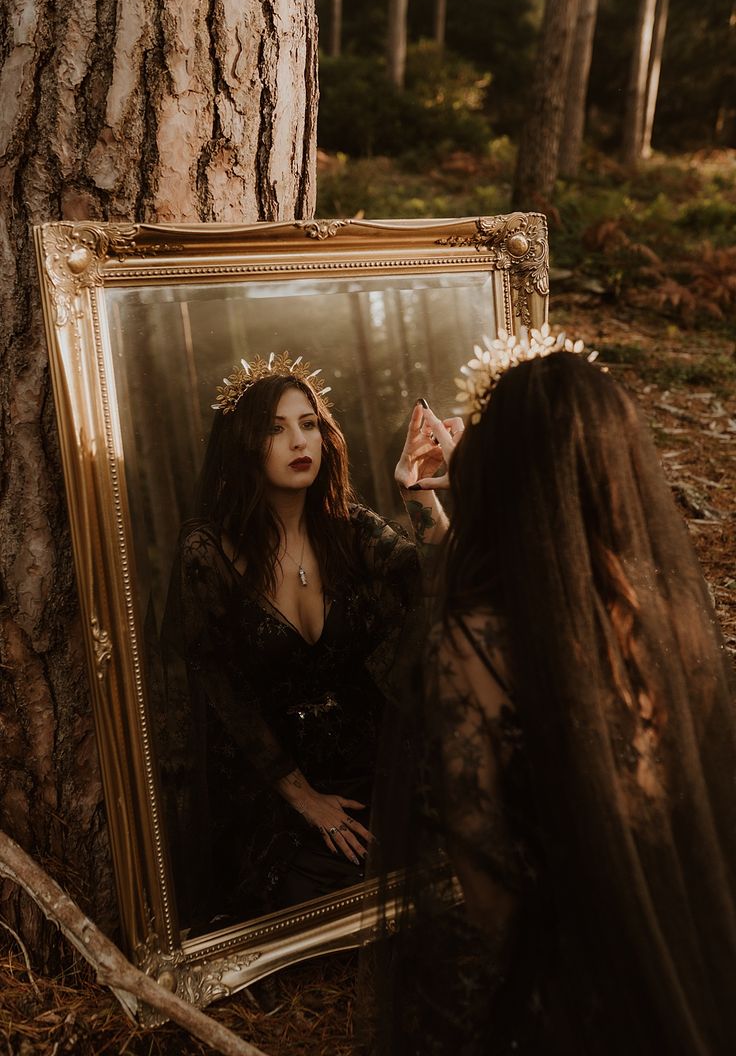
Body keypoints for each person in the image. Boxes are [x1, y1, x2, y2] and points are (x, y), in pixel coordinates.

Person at [378, 328, 736, 1055]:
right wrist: (425, 501)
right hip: (699, 948)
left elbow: (488, 891)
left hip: (570, 993)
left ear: (498, 476)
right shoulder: (672, 622)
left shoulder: (471, 651)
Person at [159, 352, 447, 933]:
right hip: (278, 782)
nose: (299, 440)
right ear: (244, 445)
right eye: (276, 427)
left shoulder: (351, 528)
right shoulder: (207, 553)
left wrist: (415, 491)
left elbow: (438, 577)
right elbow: (217, 691)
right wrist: (302, 797)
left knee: (437, 858)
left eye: (309, 423)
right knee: (308, 888)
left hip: (374, 760)